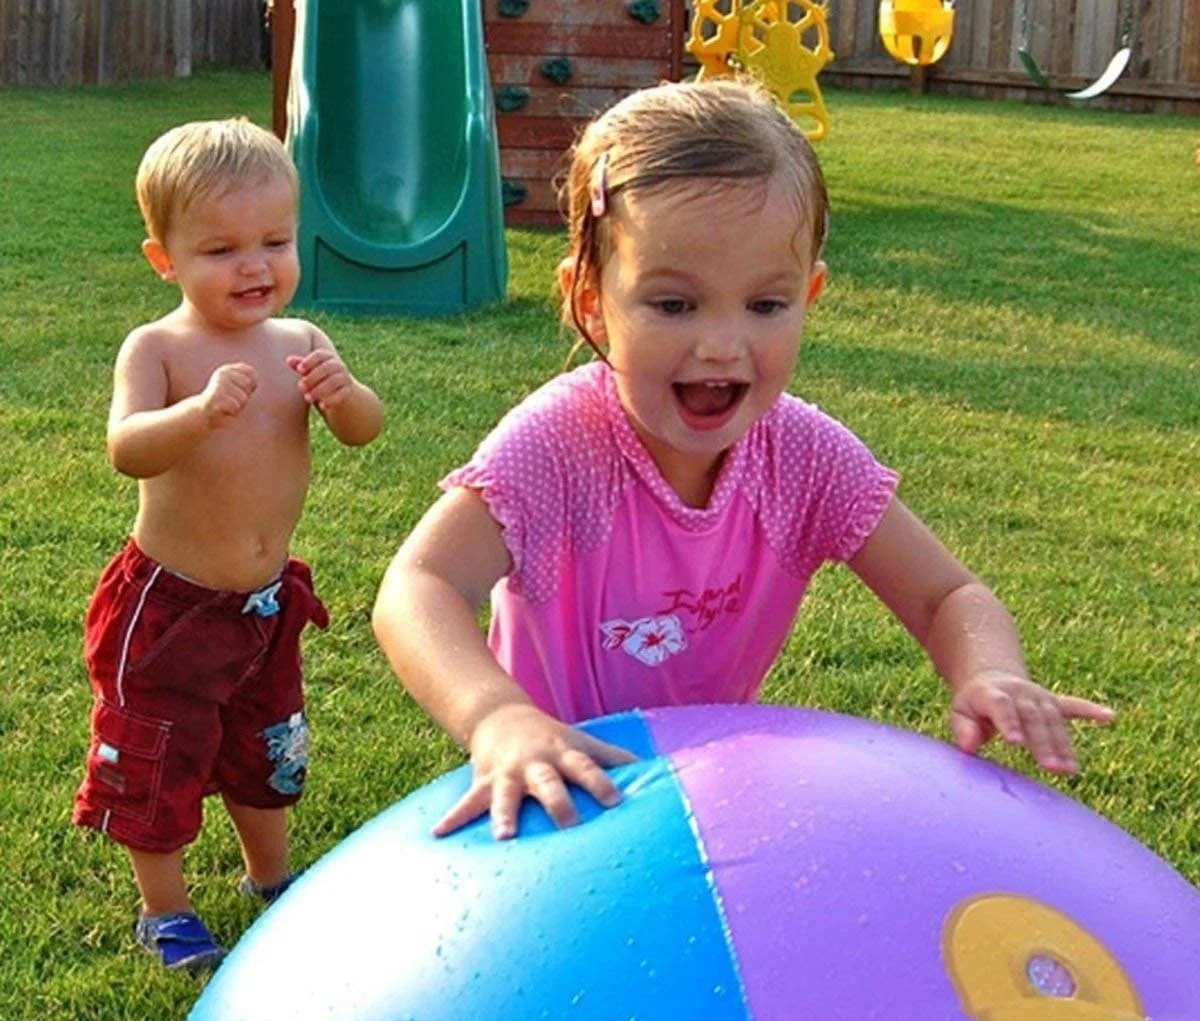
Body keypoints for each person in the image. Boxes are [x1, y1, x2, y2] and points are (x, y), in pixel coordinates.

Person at [372, 78, 1112, 842]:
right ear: (591, 300)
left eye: (765, 305)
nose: (722, 345)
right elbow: (417, 586)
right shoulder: (560, 447)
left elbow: (945, 594)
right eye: (673, 304)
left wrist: (987, 669)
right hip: (553, 789)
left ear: (810, 295)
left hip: (709, 784)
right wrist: (499, 718)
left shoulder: (805, 459)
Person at [74, 117, 385, 971]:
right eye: (220, 250)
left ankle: (271, 877)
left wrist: (345, 392)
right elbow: (126, 446)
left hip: (265, 603)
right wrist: (196, 412)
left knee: (266, 744)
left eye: (274, 241)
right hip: (169, 607)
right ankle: (166, 913)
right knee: (156, 754)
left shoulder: (303, 342)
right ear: (164, 258)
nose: (254, 266)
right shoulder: (160, 349)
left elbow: (363, 431)